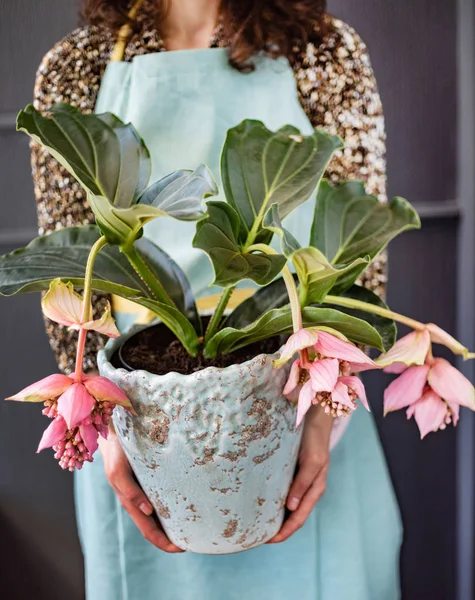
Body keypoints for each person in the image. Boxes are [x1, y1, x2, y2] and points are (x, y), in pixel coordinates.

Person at [31, 1, 402, 598]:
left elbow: (359, 246)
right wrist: (101, 428)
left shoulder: (322, 50)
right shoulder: (78, 66)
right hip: (139, 428)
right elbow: (72, 269)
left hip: (302, 408)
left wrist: (322, 420)